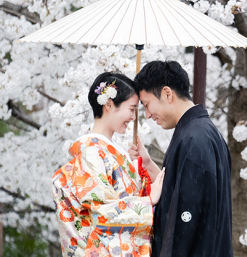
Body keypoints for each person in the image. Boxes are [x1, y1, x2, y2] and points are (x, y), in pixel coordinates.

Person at [52, 72, 165, 257]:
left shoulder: (108, 151)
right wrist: (147, 202)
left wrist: (145, 167)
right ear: (109, 105)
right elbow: (101, 214)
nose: (134, 117)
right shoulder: (92, 153)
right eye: (131, 109)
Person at [129, 60, 233, 257]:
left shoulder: (195, 139)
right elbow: (180, 192)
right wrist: (149, 164)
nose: (148, 114)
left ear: (168, 94)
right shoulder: (202, 132)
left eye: (147, 104)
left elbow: (185, 218)